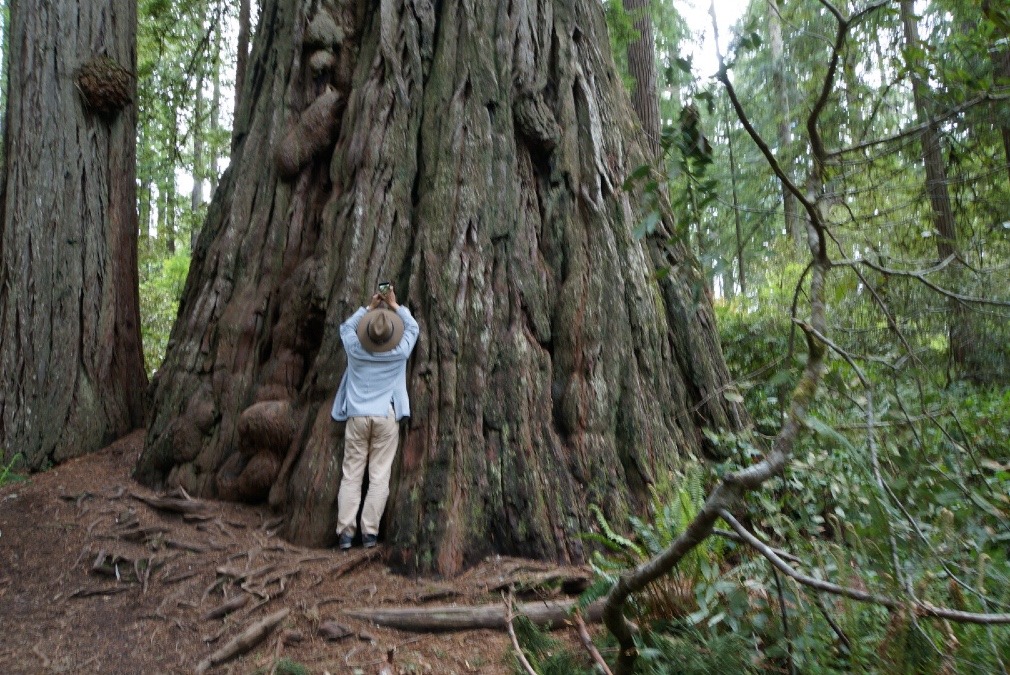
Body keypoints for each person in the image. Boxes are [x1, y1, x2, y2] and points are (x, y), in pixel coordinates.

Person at [330, 283, 419, 550]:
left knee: (352, 475)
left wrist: (368, 308)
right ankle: (369, 533)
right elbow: (413, 328)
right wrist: (394, 305)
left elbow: (345, 328)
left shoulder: (355, 350)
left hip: (357, 417)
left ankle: (345, 533)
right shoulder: (399, 353)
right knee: (379, 475)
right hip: (385, 417)